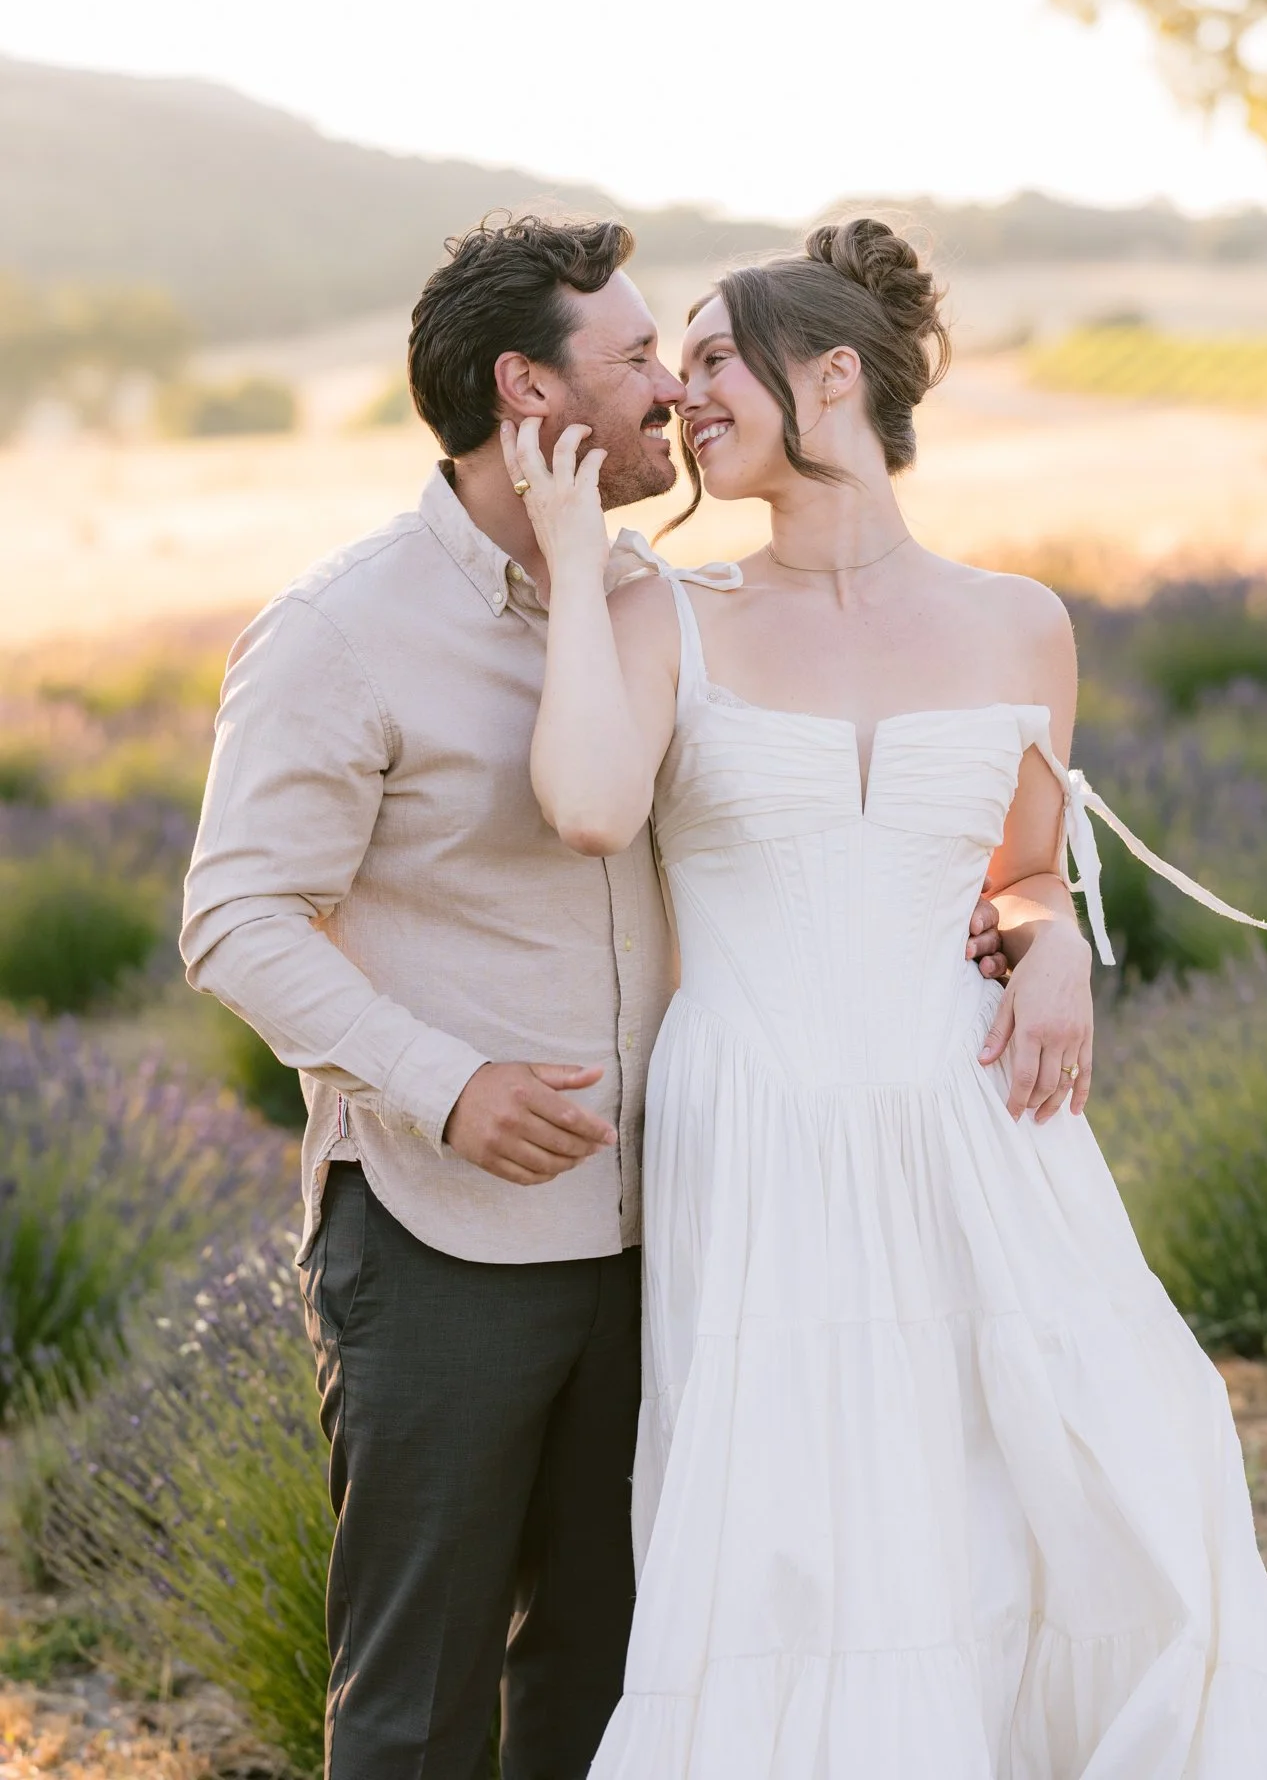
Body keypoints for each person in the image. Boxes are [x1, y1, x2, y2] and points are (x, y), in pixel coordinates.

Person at [179, 214, 1012, 1780]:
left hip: (683, 1227)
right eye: (638, 358)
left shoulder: (644, 604)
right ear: (527, 391)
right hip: (448, 1238)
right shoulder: (338, 632)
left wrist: (1018, 938)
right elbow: (233, 915)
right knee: (417, 1696)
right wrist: (444, 1083)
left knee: (620, 1674)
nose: (674, 395)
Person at [506, 215, 1267, 1778]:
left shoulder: (1023, 621)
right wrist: (566, 568)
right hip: (760, 1116)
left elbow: (1015, 872)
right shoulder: (664, 615)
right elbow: (591, 808)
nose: (680, 399)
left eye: (710, 360)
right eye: (671, 369)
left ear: (833, 374)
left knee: (1069, 1478)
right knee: (799, 1520)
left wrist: (1061, 941)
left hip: (974, 1117)